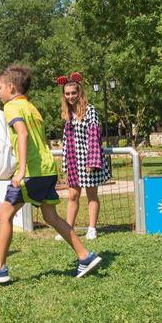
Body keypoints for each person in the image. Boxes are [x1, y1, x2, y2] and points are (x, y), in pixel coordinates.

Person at [0, 65, 102, 284]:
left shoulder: (12, 107)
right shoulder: (31, 107)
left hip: (31, 172)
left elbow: (22, 133)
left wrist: (21, 170)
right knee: (50, 216)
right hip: (47, 169)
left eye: (0, 87)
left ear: (11, 87)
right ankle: (85, 256)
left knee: (5, 215)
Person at [56, 72, 110, 241]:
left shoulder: (89, 111)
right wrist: (65, 163)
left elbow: (94, 134)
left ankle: (92, 228)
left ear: (79, 92)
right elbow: (66, 141)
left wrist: (93, 161)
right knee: (72, 195)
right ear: (64, 95)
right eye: (67, 93)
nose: (71, 96)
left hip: (88, 159)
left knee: (92, 195)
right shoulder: (67, 114)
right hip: (74, 161)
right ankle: (67, 229)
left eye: (73, 93)